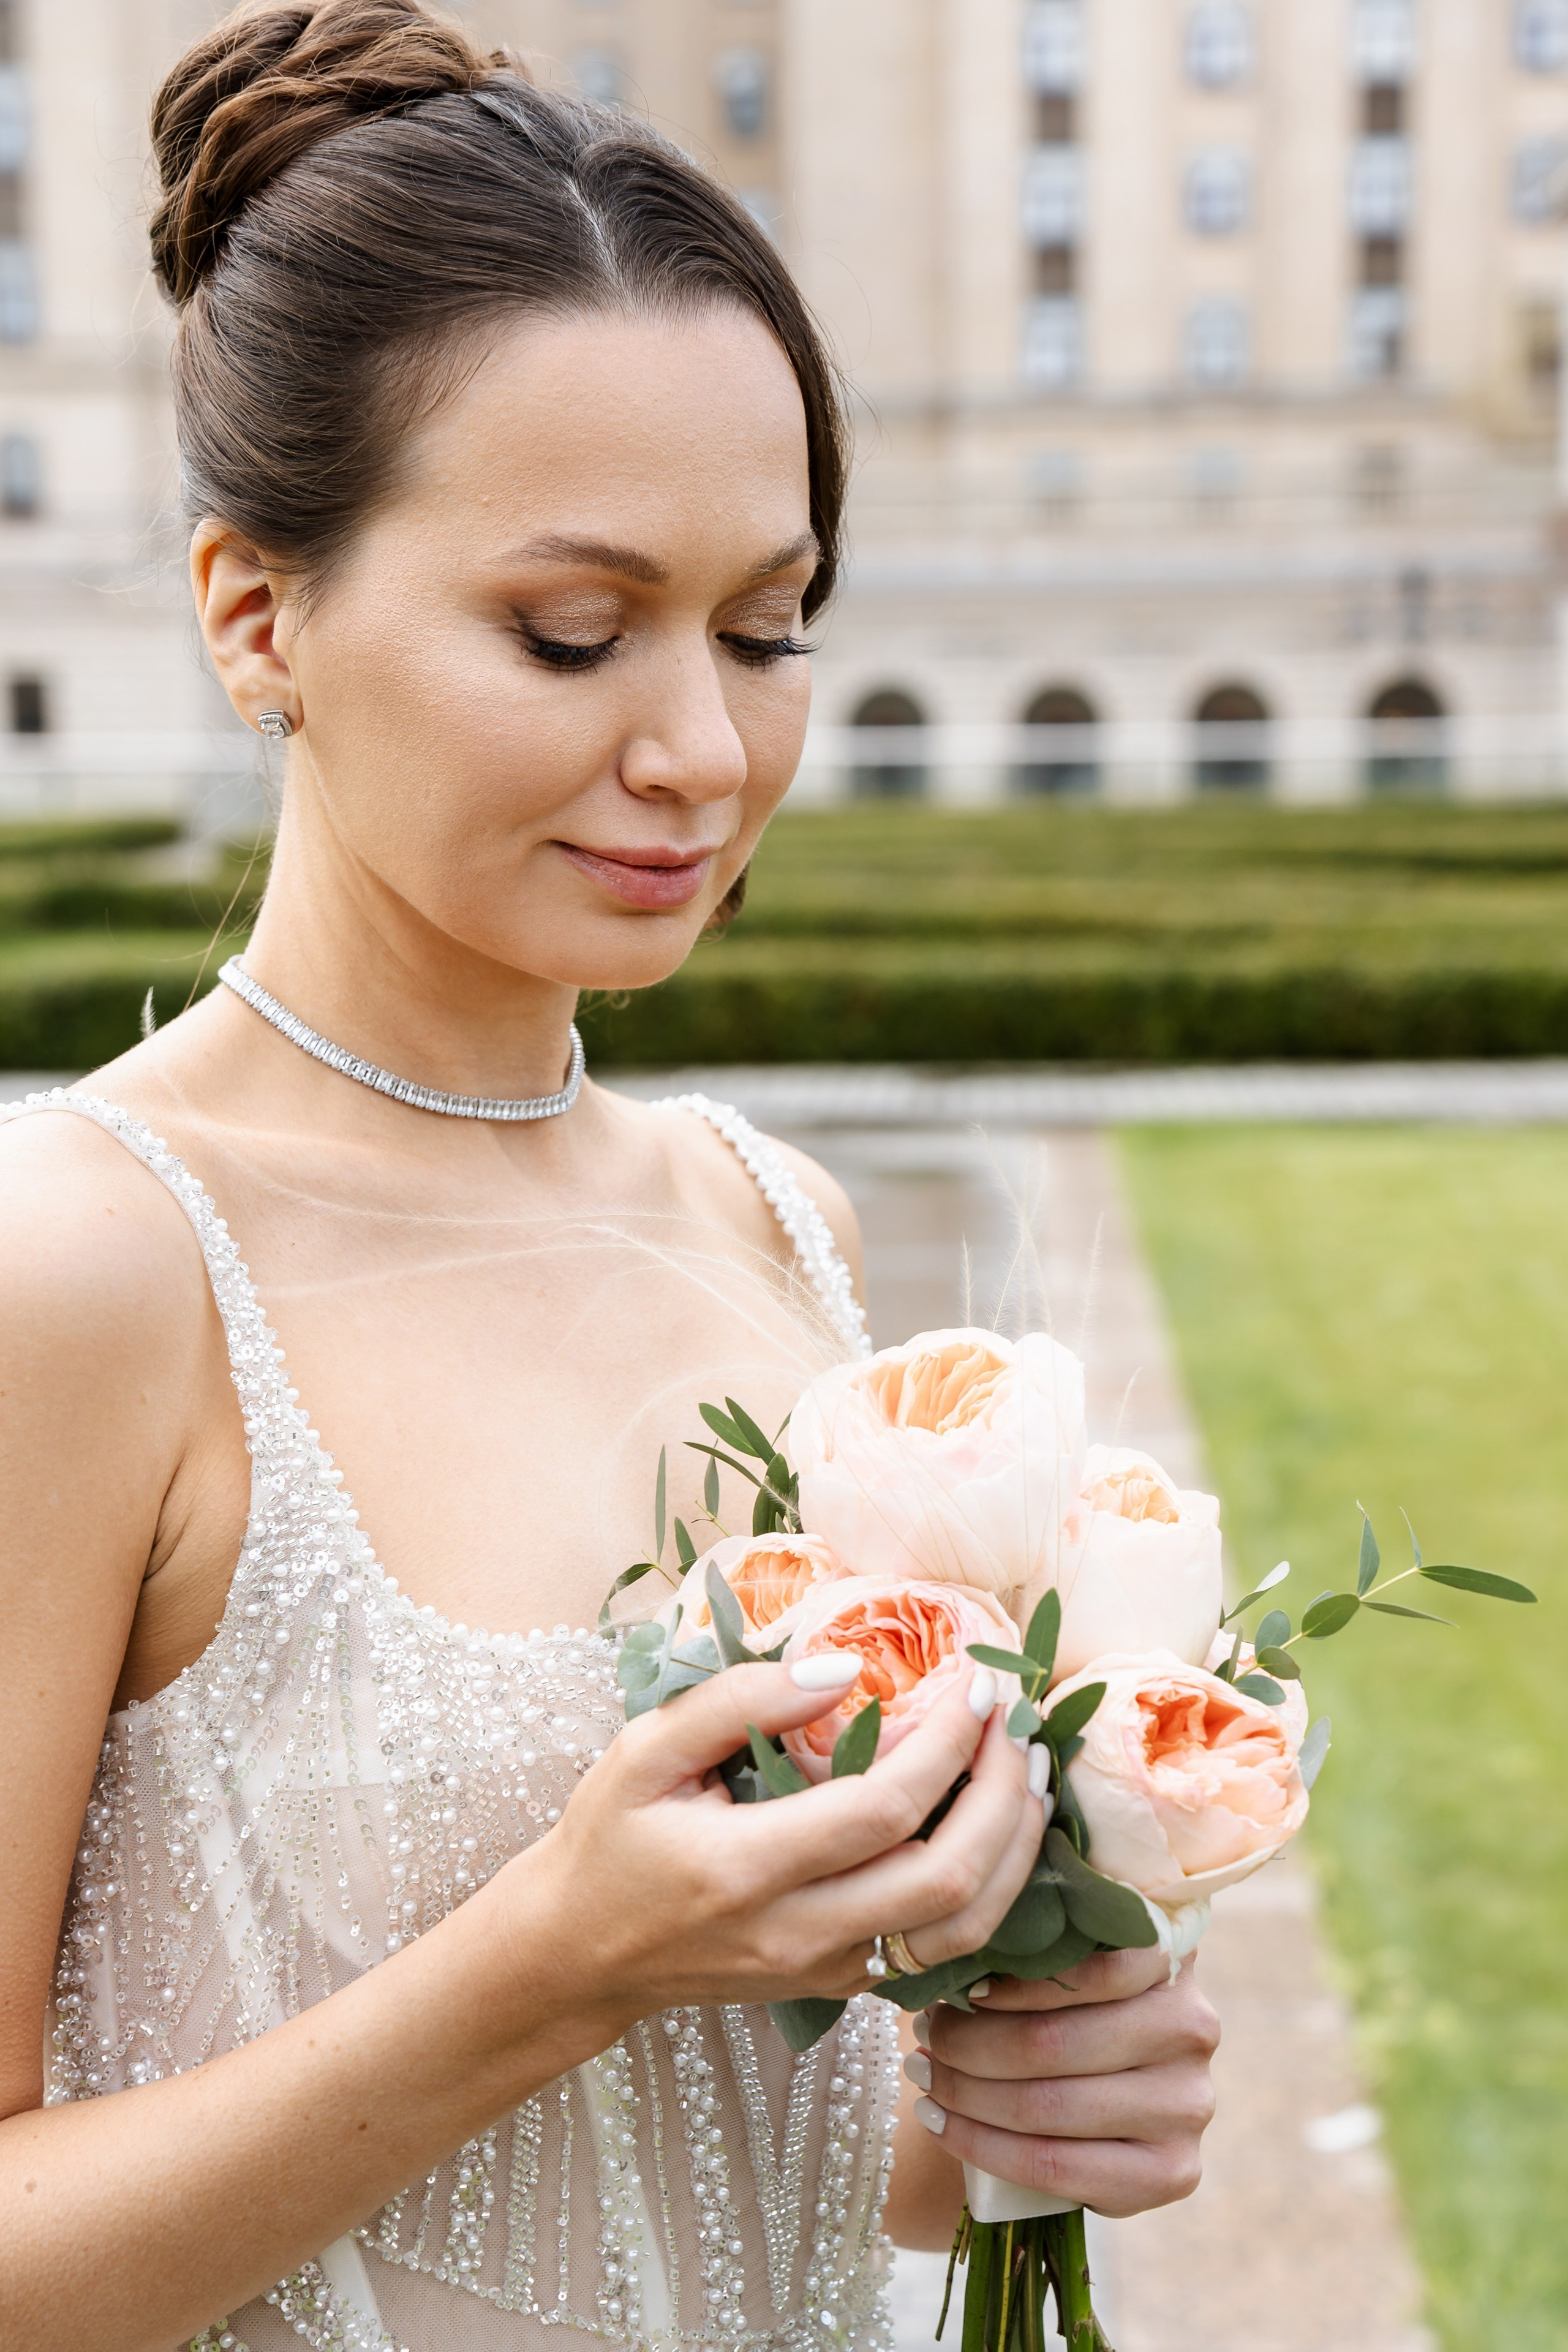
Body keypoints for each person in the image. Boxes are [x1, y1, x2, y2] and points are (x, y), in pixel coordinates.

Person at [0, 6, 1218, 2346]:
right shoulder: (85, 1271)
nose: (700, 747)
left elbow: (710, 2136)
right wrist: (547, 1963)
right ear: (258, 617)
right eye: (572, 631)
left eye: (766, 628)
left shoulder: (775, 1222)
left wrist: (1006, 2131)